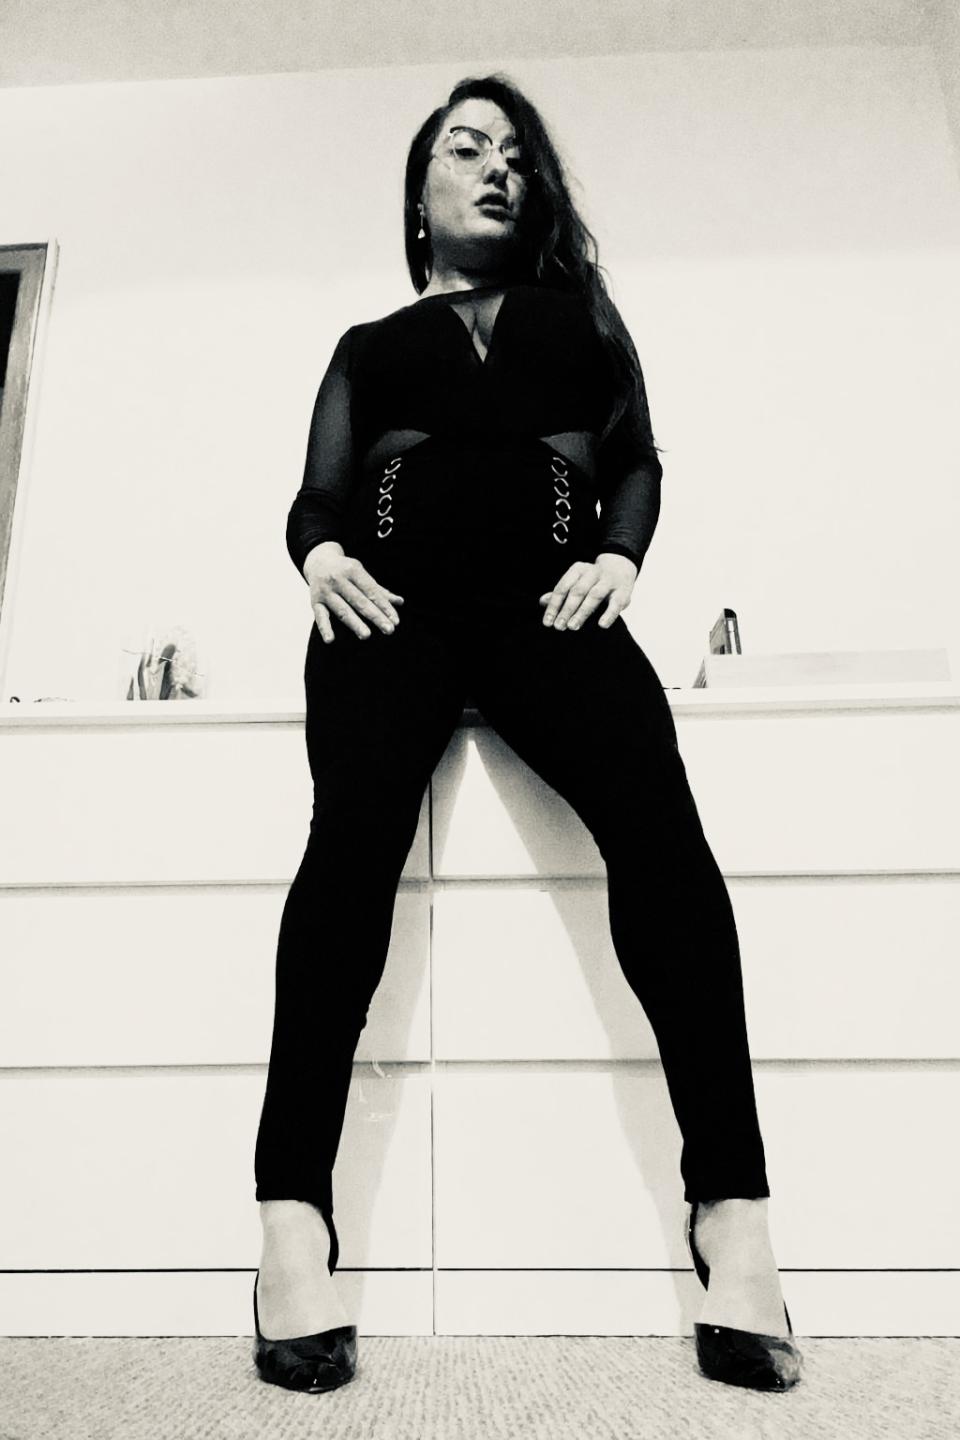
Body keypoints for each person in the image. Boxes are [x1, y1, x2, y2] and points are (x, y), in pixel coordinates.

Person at [252, 73, 804, 1396]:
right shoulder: (370, 344)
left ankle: (735, 1221)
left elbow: (636, 461)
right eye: (467, 146)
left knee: (666, 845)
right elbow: (318, 492)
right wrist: (322, 555)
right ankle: (291, 1222)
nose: (497, 166)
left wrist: (620, 556)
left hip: (549, 611)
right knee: (349, 852)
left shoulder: (581, 325)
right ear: (419, 196)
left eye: (516, 152)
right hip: (394, 616)